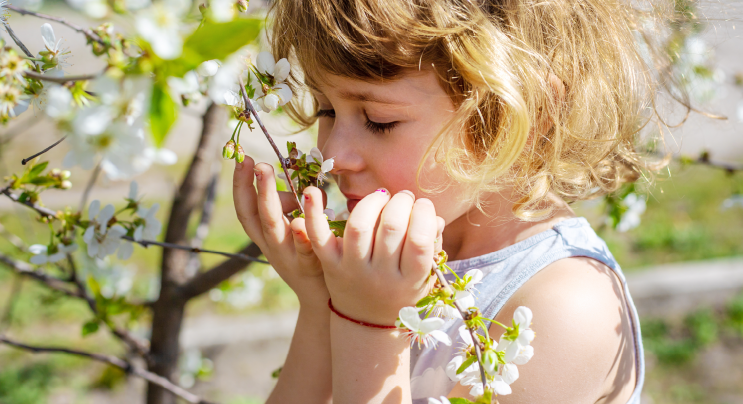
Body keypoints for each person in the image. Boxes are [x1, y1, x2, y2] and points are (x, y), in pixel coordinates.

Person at [232, 0, 672, 402]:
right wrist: (320, 304)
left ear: (530, 113)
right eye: (326, 110)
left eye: (379, 120)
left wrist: (368, 326)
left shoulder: (565, 307)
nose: (331, 156)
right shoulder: (383, 266)